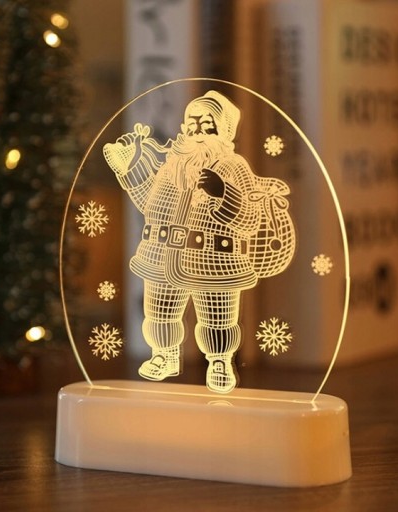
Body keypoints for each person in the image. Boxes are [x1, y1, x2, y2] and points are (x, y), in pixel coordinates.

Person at [103, 90, 293, 393]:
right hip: (162, 255)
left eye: (207, 125)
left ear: (224, 131)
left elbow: (249, 220)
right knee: (160, 314)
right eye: (192, 124)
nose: (198, 131)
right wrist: (127, 169)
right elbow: (151, 206)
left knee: (217, 318)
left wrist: (223, 193)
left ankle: (219, 362)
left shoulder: (234, 167)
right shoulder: (173, 165)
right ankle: (164, 355)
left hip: (215, 259)